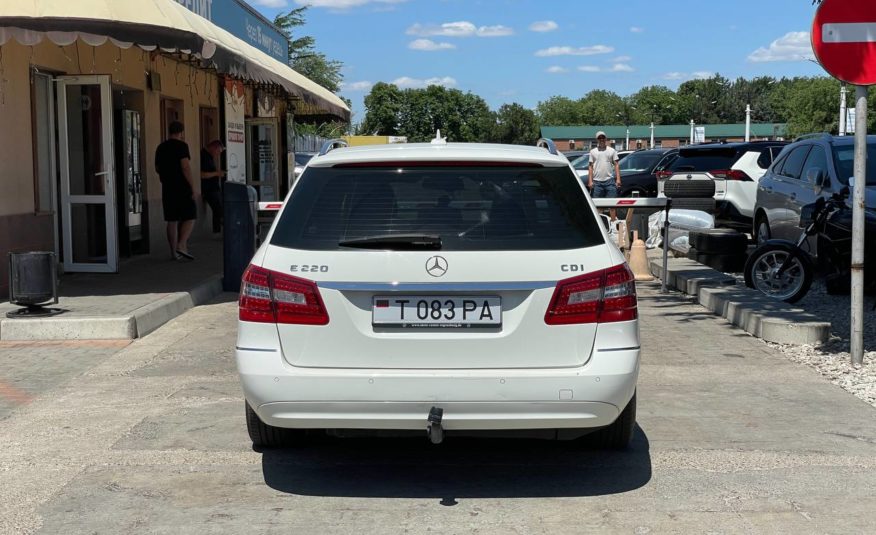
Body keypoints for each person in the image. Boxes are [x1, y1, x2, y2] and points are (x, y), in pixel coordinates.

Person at [155, 121, 196, 260]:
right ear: (181, 132)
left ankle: (173, 253)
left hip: (167, 187)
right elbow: (185, 167)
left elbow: (157, 168)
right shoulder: (182, 146)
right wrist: (192, 187)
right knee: (190, 216)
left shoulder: (160, 147)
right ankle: (181, 244)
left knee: (171, 220)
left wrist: (165, 178)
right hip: (182, 187)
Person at [587, 131, 622, 199]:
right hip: (596, 183)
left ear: (606, 139)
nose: (601, 139)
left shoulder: (612, 150)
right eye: (599, 138)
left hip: (610, 181)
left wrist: (618, 179)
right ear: (597, 139)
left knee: (612, 203)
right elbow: (590, 167)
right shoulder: (592, 152)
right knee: (597, 204)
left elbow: (616, 164)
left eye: (603, 137)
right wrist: (590, 181)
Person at [200, 140, 225, 233]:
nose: (218, 154)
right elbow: (201, 174)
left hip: (214, 188)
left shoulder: (210, 156)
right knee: (219, 210)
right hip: (209, 190)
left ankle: (217, 230)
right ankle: (219, 231)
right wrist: (217, 173)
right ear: (213, 147)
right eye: (218, 151)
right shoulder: (203, 156)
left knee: (220, 209)